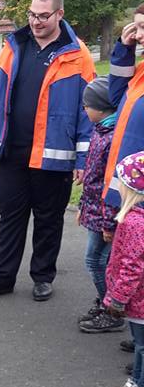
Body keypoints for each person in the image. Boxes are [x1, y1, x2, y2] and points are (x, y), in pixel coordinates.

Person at [0, 0, 95, 302]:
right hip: (13, 153)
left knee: (48, 219)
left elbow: (88, 111)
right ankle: (1, 278)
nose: (36, 22)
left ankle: (42, 277)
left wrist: (84, 159)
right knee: (10, 217)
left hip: (54, 157)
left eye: (43, 16)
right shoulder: (13, 47)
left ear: (59, 14)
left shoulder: (77, 54)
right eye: (31, 14)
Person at [76, 77, 123, 334]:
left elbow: (111, 185)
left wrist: (108, 223)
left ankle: (112, 310)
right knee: (101, 260)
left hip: (106, 216)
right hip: (95, 212)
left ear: (101, 107)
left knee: (96, 261)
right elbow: (92, 180)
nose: (84, 110)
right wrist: (83, 207)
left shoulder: (112, 138)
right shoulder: (101, 131)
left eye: (87, 105)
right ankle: (107, 303)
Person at [103, 152, 144, 387]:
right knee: (140, 345)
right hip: (137, 300)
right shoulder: (134, 220)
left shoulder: (135, 223)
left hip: (138, 298)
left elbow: (133, 266)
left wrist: (117, 297)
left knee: (143, 345)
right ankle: (136, 382)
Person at [103, 3, 144, 208]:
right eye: (135, 28)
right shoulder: (142, 71)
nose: (137, 35)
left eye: (143, 27)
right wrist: (124, 50)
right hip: (128, 192)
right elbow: (117, 97)